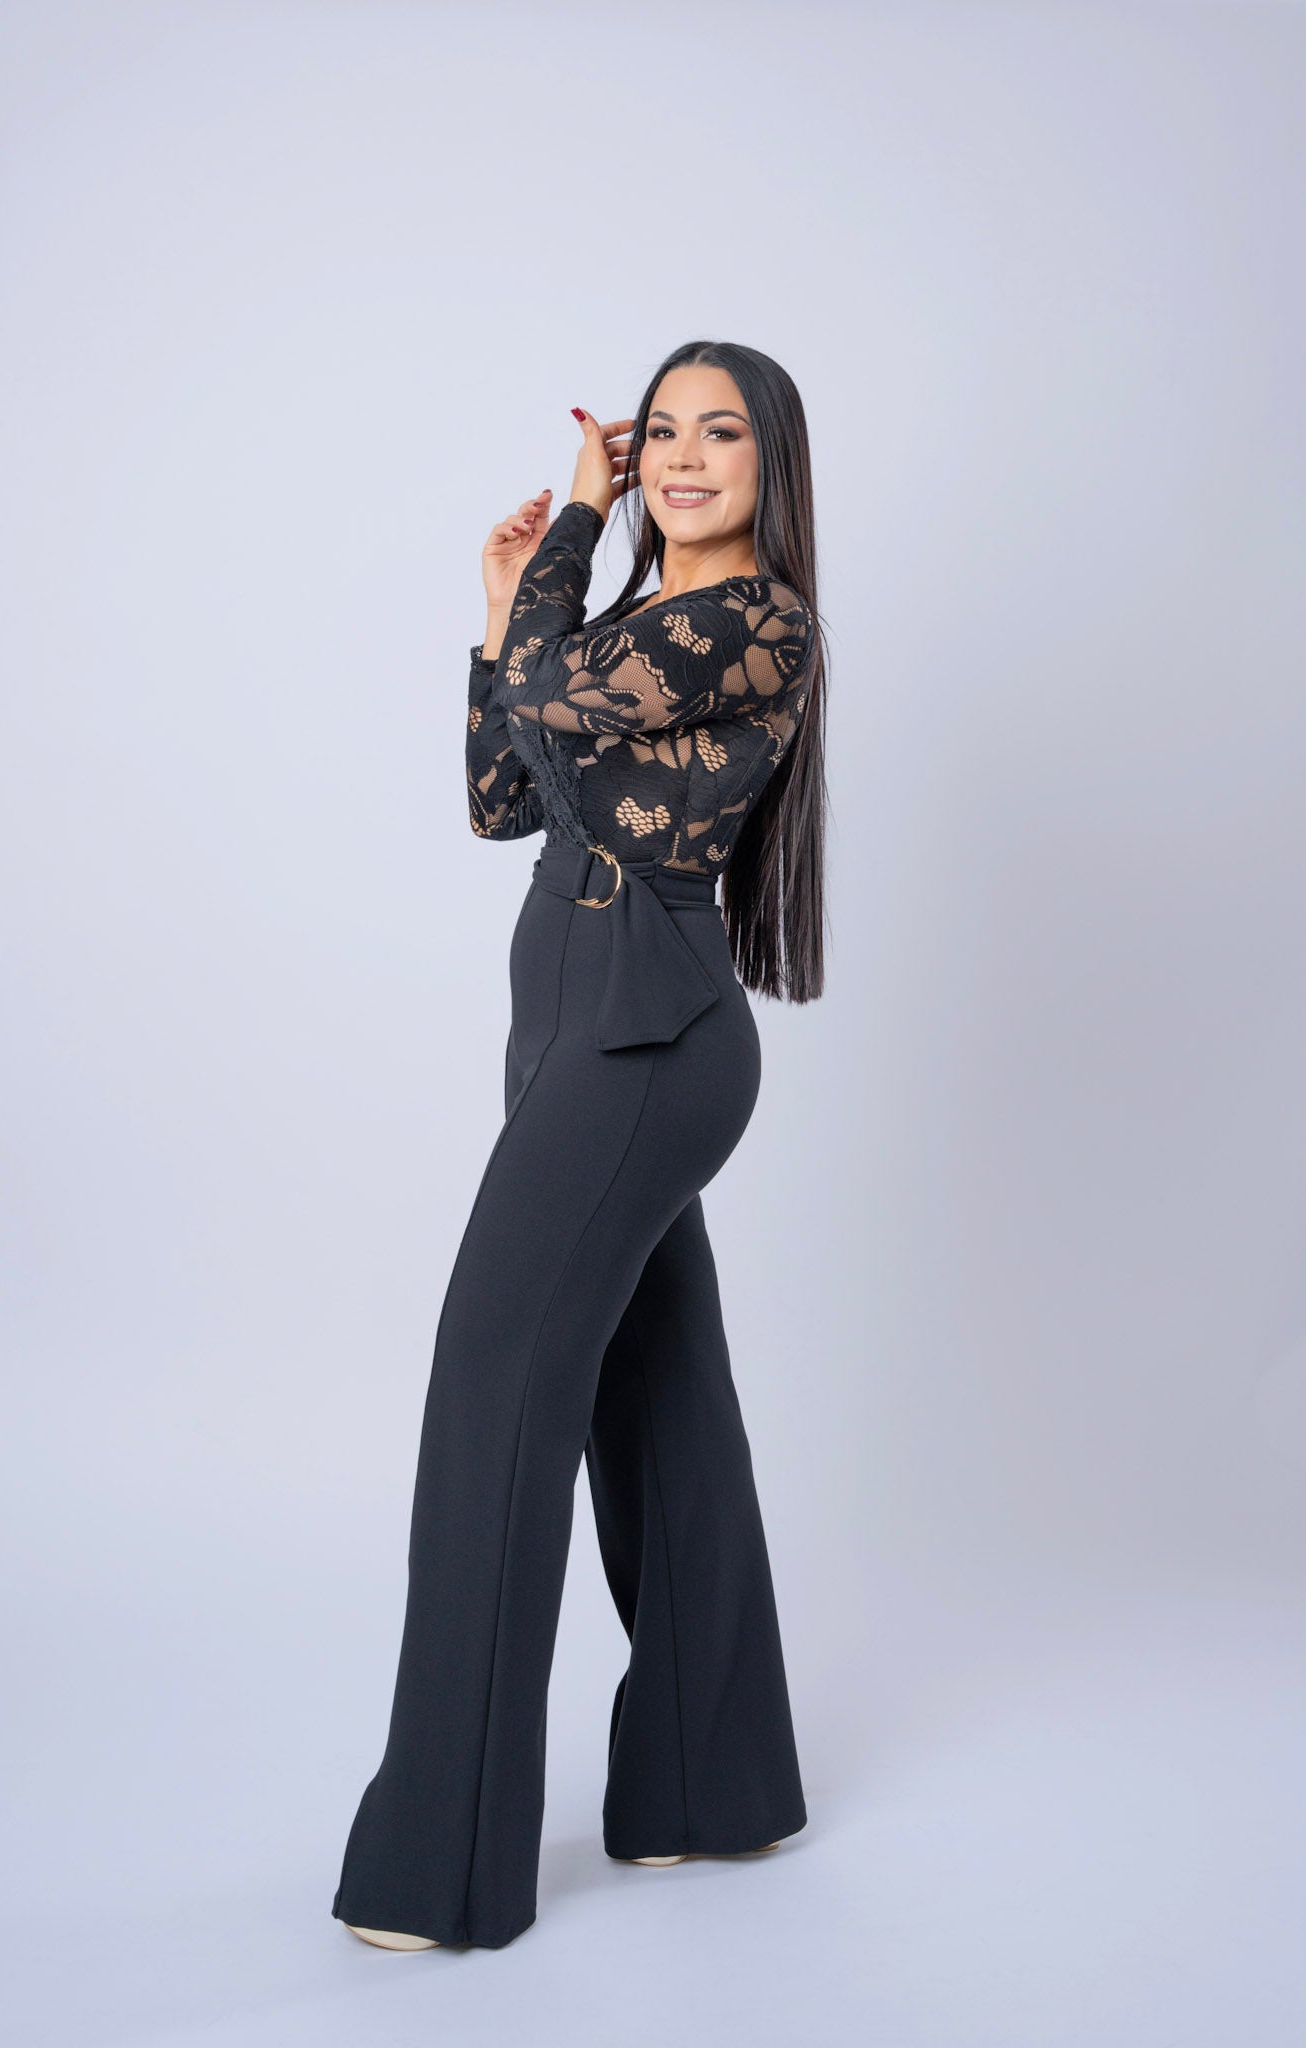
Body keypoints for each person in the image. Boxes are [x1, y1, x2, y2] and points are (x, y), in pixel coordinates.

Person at [331, 340, 828, 1951]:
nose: (679, 457)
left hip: (644, 1038)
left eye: (717, 434)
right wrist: (503, 609)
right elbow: (502, 799)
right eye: (657, 430)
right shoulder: (619, 627)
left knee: (493, 1387)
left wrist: (572, 524)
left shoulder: (755, 622)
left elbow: (549, 705)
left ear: (768, 464)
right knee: (652, 1392)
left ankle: (440, 1866)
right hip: (566, 1022)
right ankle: (709, 1786)